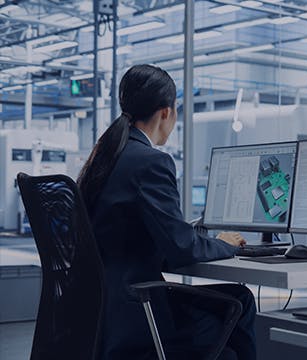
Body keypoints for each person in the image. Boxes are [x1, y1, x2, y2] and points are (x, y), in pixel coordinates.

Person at [78, 64, 256, 360]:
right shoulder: (151, 161)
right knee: (241, 300)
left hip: (100, 312)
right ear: (166, 112)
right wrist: (224, 243)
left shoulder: (105, 157)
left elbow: (127, 233)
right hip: (138, 313)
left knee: (229, 319)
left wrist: (185, 234)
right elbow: (181, 247)